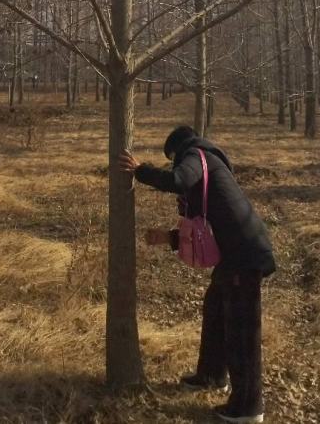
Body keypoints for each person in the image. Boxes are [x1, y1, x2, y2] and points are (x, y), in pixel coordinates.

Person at [120, 124, 275, 424]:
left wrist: (141, 170)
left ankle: (248, 407)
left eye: (173, 157)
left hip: (244, 255)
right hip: (234, 252)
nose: (175, 162)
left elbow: (179, 180)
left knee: (242, 330)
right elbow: (207, 229)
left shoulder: (195, 155)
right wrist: (169, 238)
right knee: (216, 310)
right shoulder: (209, 163)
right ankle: (212, 375)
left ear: (180, 150)